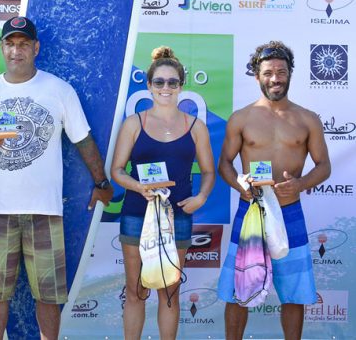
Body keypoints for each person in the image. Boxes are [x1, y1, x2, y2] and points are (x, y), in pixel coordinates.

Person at [0, 16, 114, 340]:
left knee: (48, 294)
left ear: (36, 48)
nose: (17, 51)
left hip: (45, 210)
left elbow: (82, 139)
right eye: (10, 44)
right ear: (1, 48)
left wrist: (101, 182)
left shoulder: (59, 89)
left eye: (24, 44)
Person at [217, 41, 331, 340]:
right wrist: (239, 183)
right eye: (268, 72)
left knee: (294, 292)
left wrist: (300, 184)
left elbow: (323, 166)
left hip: (289, 210)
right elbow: (225, 164)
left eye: (281, 72)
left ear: (290, 73)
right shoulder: (240, 118)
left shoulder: (308, 119)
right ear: (257, 76)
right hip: (251, 210)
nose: (275, 78)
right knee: (237, 289)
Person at [110, 46, 215, 340]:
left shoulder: (196, 127)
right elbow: (117, 170)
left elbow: (209, 172)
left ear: (181, 86)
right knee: (136, 290)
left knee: (170, 292)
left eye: (172, 82)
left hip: (177, 216)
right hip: (135, 215)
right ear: (148, 86)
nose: (166, 88)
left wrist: (202, 197)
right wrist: (138, 187)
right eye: (159, 82)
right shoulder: (134, 123)